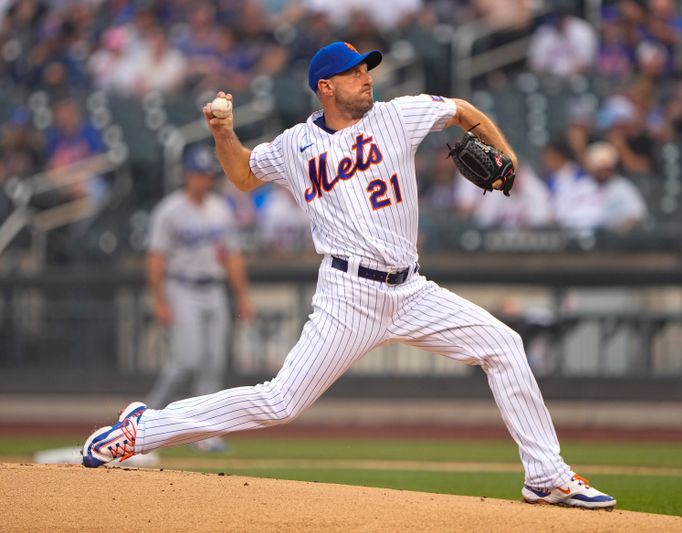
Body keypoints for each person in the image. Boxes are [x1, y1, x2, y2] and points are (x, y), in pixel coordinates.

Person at [81, 41, 616, 509]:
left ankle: (545, 476)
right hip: (348, 294)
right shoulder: (296, 145)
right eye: (356, 73)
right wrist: (224, 132)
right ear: (326, 87)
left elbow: (462, 111)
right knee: (280, 402)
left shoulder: (396, 116)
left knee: (503, 343)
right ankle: (140, 429)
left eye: (368, 70)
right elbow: (243, 174)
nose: (368, 78)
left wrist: (507, 155)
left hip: (410, 289)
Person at [144, 145, 254, 451]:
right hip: (182, 287)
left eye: (207, 175)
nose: (203, 180)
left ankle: (205, 435)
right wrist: (160, 300)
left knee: (213, 364)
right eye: (198, 174)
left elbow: (232, 256)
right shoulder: (170, 209)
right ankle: (146, 417)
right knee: (186, 362)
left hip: (213, 289)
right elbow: (155, 258)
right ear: (186, 175)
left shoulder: (220, 208)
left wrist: (242, 295)